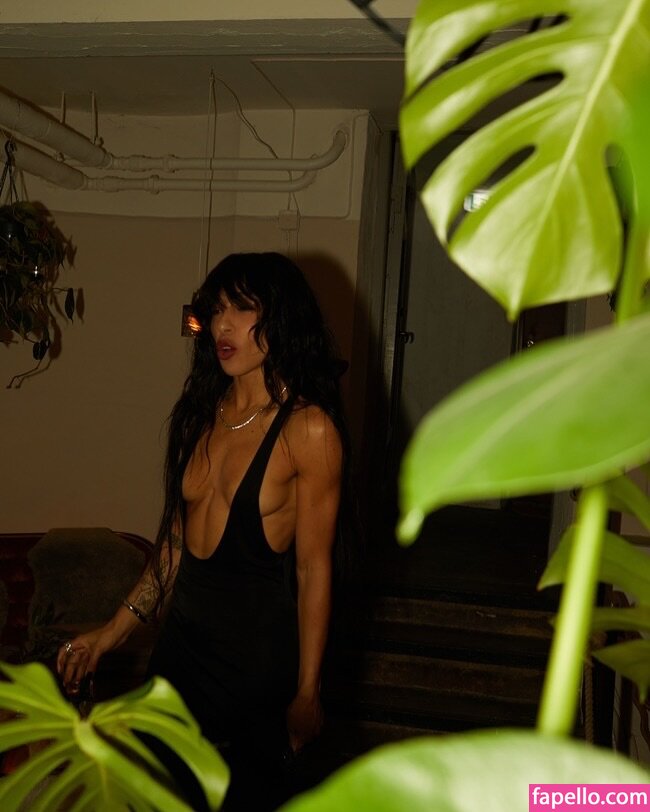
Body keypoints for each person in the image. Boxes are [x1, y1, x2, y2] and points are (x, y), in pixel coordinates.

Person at [56, 252, 353, 810]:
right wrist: (110, 634)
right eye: (216, 310)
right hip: (180, 654)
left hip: (255, 667)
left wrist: (308, 688)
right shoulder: (200, 414)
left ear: (280, 318)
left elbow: (314, 568)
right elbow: (173, 549)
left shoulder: (308, 429)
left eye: (242, 309)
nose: (222, 326)